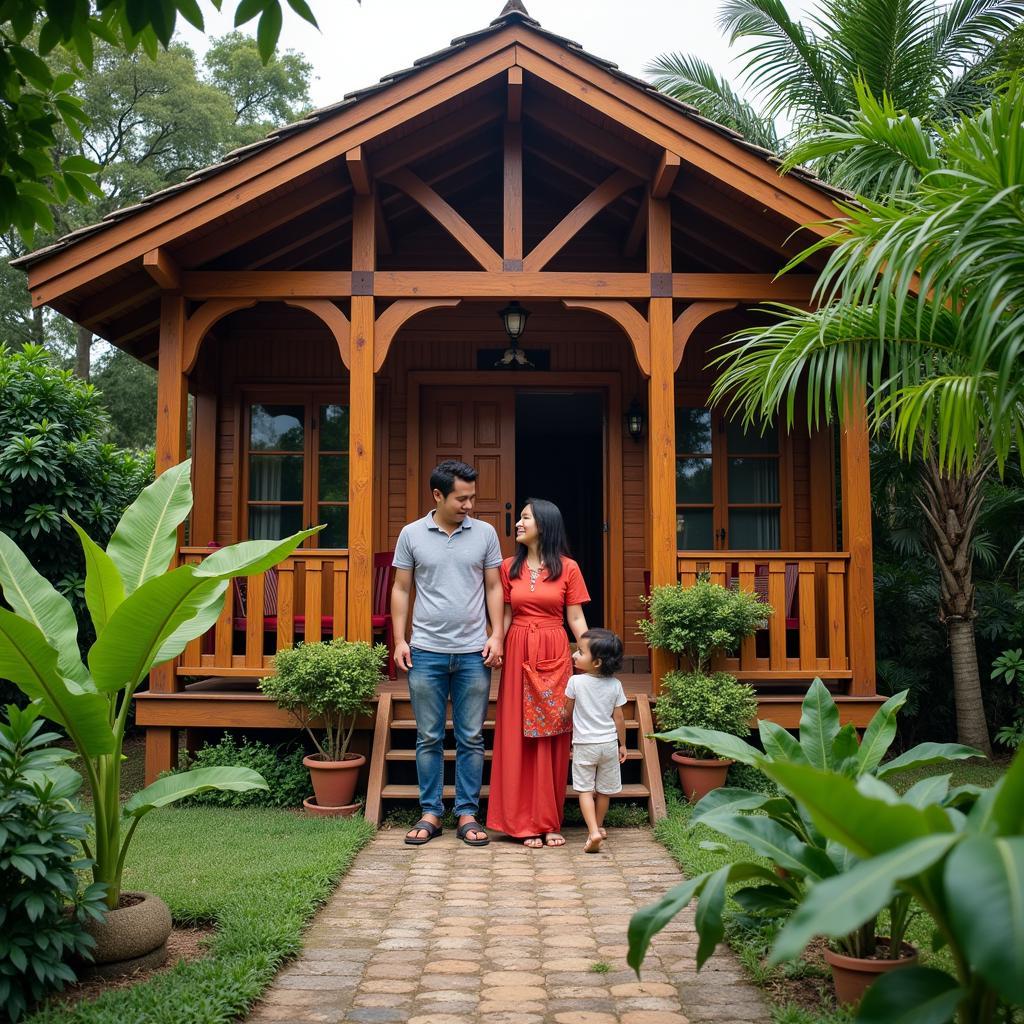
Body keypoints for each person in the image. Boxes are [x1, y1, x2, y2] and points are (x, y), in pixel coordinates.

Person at [391, 460, 504, 847]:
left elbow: (493, 588)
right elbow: (402, 589)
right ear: (438, 495)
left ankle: (468, 813)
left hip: (474, 652)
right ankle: (431, 813)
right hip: (425, 651)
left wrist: (497, 635)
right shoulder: (411, 535)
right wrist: (400, 639)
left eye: (472, 497)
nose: (470, 504)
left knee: (472, 737)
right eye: (462, 498)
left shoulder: (486, 533)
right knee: (429, 737)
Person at [487, 499, 590, 847]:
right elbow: (502, 613)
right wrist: (497, 642)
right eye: (519, 518)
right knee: (517, 734)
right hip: (518, 649)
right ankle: (519, 823)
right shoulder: (506, 568)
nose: (517, 523)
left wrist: (589, 653)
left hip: (553, 650)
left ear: (544, 525)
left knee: (550, 732)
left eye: (525, 518)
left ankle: (548, 820)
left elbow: (574, 617)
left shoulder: (568, 568)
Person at [565, 628, 627, 854]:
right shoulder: (615, 685)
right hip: (609, 744)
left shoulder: (575, 682)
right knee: (604, 791)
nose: (574, 655)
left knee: (584, 790)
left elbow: (567, 711)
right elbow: (618, 718)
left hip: (585, 745)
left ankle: (592, 832)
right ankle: (599, 826)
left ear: (597, 662)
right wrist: (623, 744)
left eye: (580, 652)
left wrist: (562, 714)